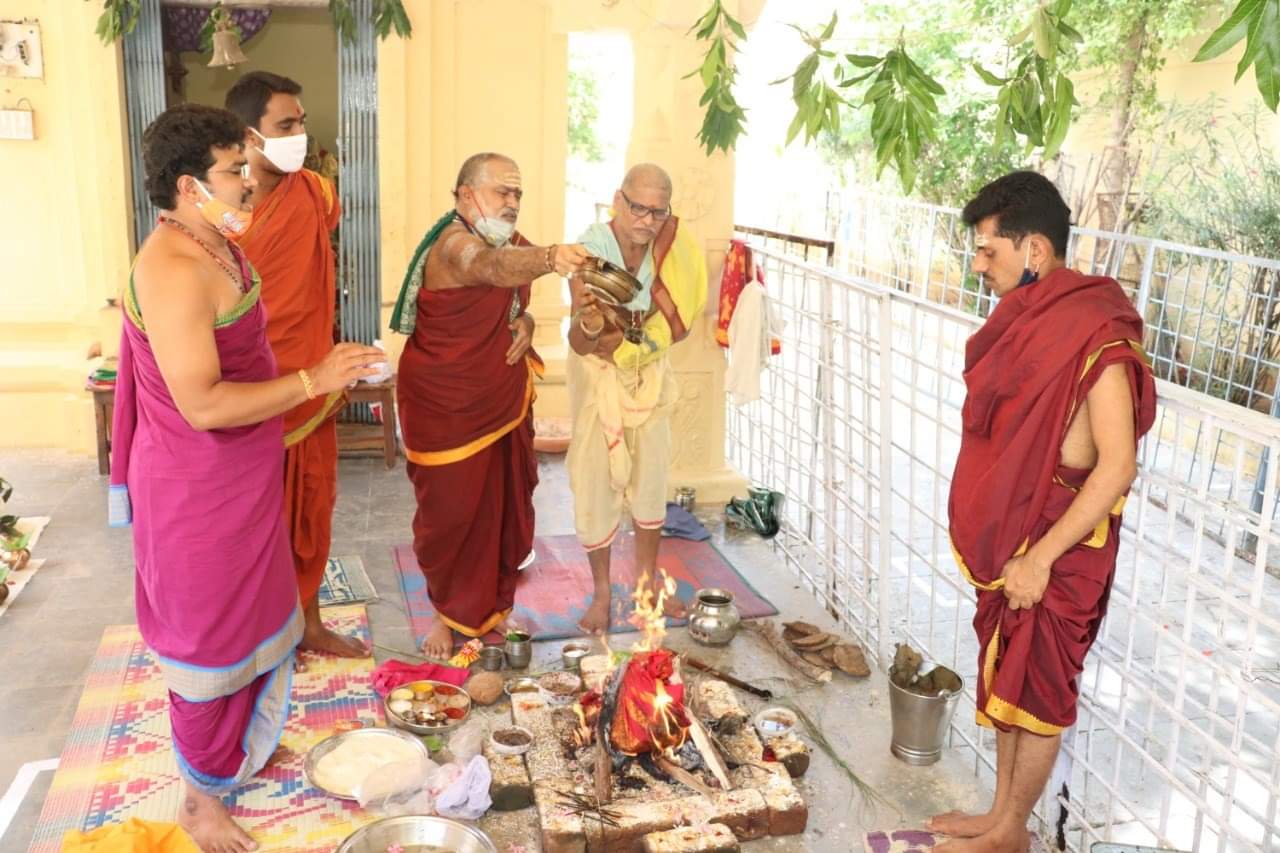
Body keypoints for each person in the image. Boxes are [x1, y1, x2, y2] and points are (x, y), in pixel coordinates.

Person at [108, 103, 382, 852]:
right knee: (209, 639)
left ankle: (233, 758)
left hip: (242, 479)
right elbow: (199, 402)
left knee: (258, 616)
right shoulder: (169, 269)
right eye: (236, 169)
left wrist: (318, 377)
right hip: (196, 491)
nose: (250, 182)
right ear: (192, 184)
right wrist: (312, 379)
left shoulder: (217, 246)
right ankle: (199, 799)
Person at [930, 171, 1156, 853]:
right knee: (1006, 674)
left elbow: (1117, 465)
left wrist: (1042, 555)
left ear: (1034, 250)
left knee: (1039, 688)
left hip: (1061, 548)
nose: (977, 264)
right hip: (1018, 542)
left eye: (988, 250)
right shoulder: (1025, 323)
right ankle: (1003, 818)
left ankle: (1012, 830)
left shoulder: (1096, 332)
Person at [390, 152, 590, 658]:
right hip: (444, 401)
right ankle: (445, 611)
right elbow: (490, 268)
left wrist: (523, 325)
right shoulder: (455, 244)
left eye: (518, 193)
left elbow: (512, 298)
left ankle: (489, 602)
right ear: (465, 196)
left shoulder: (506, 240)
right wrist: (549, 258)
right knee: (451, 515)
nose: (513, 201)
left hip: (497, 395)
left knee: (500, 504)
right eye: (503, 190)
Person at [224, 71, 365, 660]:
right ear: (249, 137)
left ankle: (308, 622)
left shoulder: (312, 191)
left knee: (312, 506)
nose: (300, 134)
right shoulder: (224, 214)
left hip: (316, 385)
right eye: (286, 126)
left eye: (301, 123)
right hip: (252, 397)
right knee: (255, 525)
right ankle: (253, 635)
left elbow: (328, 226)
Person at [566, 163, 708, 635]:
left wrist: (629, 333)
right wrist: (593, 327)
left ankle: (647, 587)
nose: (647, 221)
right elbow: (582, 341)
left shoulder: (673, 248)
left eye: (657, 211)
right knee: (595, 482)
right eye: (638, 207)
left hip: (649, 376)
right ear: (618, 200)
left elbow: (671, 321)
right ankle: (603, 592)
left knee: (650, 478)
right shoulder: (591, 248)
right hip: (598, 379)